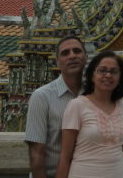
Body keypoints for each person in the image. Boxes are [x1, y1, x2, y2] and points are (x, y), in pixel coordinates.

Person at [56, 51, 123, 178]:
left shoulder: (120, 107)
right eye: (102, 70)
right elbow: (65, 157)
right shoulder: (77, 106)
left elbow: (121, 151)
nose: (108, 75)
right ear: (92, 76)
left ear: (120, 78)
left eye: (113, 72)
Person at [25, 35, 88, 178]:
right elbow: (36, 155)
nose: (72, 56)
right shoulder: (42, 97)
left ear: (85, 57)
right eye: (65, 53)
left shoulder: (93, 95)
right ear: (57, 62)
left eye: (77, 51)